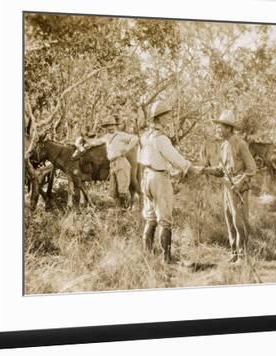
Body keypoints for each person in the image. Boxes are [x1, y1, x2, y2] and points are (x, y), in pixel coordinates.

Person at [139, 100, 202, 263]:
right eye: (166, 116)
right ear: (159, 118)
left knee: (150, 217)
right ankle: (166, 259)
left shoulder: (145, 136)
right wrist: (190, 167)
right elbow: (175, 158)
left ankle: (148, 256)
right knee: (164, 219)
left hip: (146, 176)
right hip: (158, 178)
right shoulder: (161, 139)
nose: (169, 118)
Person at [203, 110, 257, 263]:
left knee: (239, 221)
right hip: (227, 187)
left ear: (229, 128)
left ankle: (242, 255)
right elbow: (222, 169)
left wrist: (240, 182)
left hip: (239, 189)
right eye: (218, 127)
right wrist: (204, 170)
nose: (218, 129)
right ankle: (234, 252)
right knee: (229, 219)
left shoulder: (240, 144)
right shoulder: (223, 145)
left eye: (220, 127)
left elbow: (252, 168)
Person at [73, 116, 138, 207]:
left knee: (123, 187)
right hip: (112, 164)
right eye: (108, 126)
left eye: (112, 125)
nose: (110, 127)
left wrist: (127, 149)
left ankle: (129, 206)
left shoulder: (121, 135)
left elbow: (135, 138)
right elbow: (96, 142)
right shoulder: (107, 137)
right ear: (106, 127)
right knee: (114, 189)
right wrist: (86, 143)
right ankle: (119, 210)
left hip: (121, 161)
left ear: (115, 126)